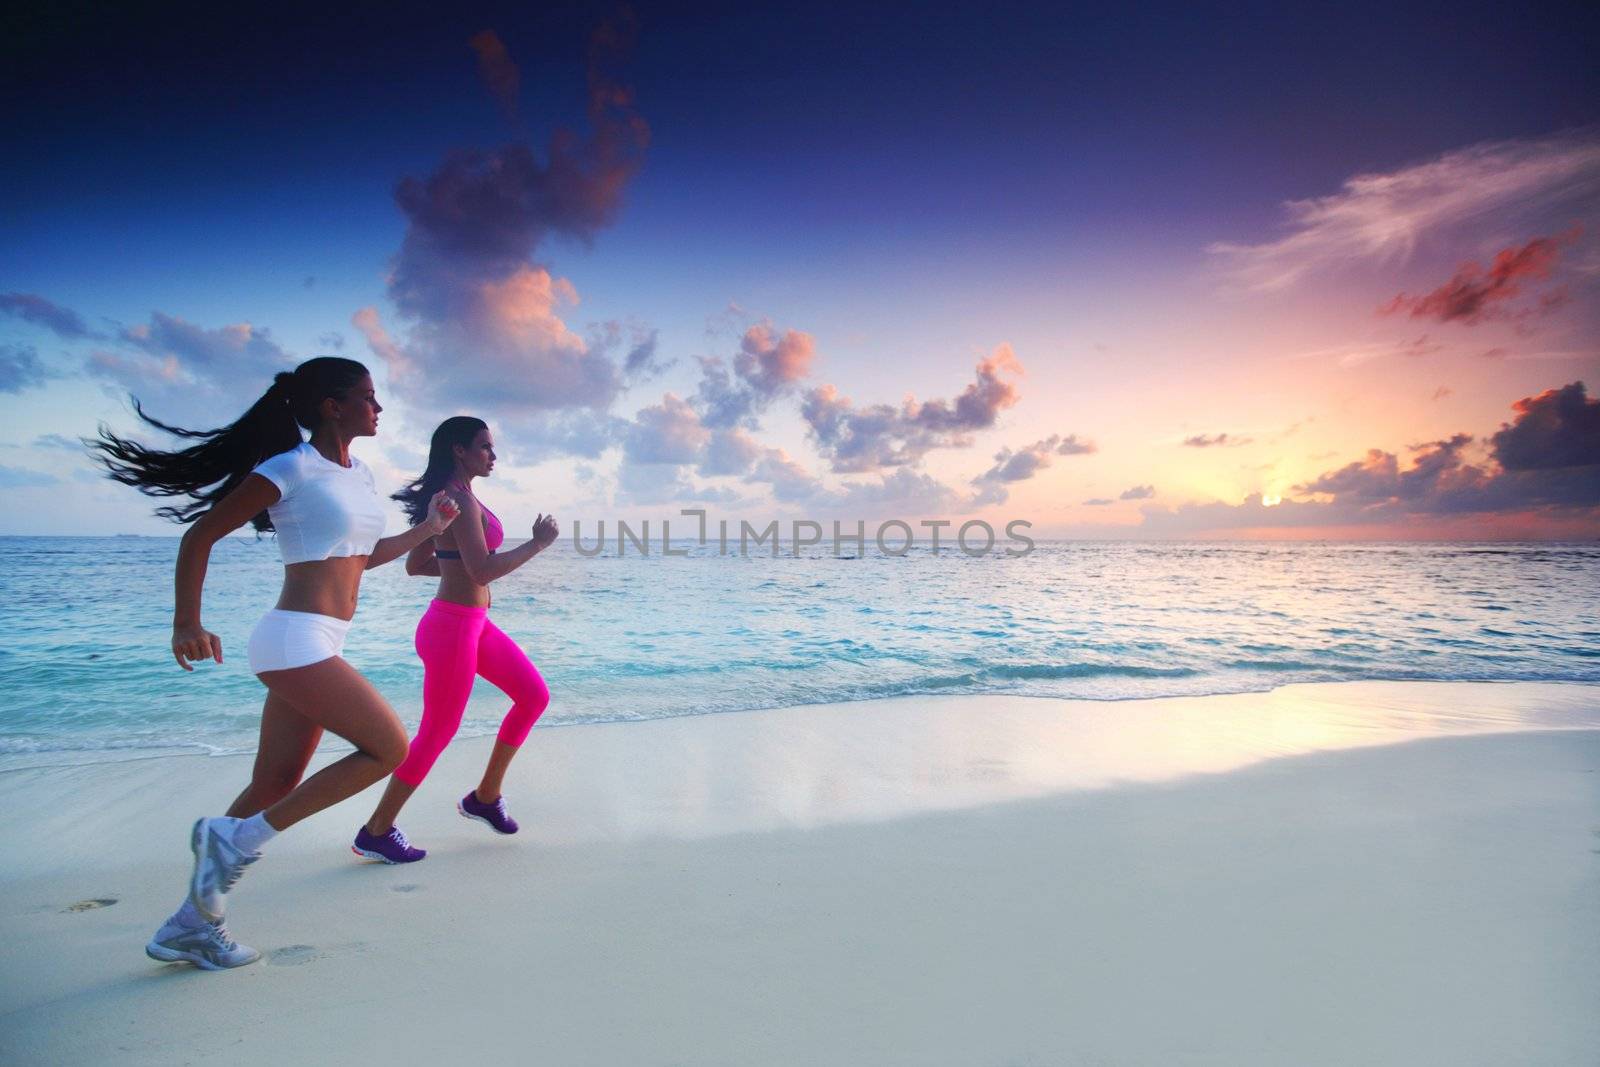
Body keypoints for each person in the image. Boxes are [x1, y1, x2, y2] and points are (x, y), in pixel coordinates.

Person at [91, 357, 459, 970]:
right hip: (293, 640)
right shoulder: (288, 468)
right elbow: (199, 536)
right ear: (330, 406)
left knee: (274, 783)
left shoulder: (359, 473)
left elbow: (363, 558)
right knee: (390, 748)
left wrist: (429, 528)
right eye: (368, 397)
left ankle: (193, 923)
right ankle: (238, 838)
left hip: (320, 641)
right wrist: (187, 620)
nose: (379, 407)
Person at [354, 416, 558, 863]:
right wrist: (537, 544)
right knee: (437, 732)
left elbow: (419, 565)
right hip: (452, 629)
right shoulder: (457, 500)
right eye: (484, 447)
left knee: (532, 696)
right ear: (459, 450)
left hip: (472, 625)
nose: (493, 455)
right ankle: (376, 830)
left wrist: (462, 570)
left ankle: (485, 797)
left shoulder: (453, 498)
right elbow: (482, 570)